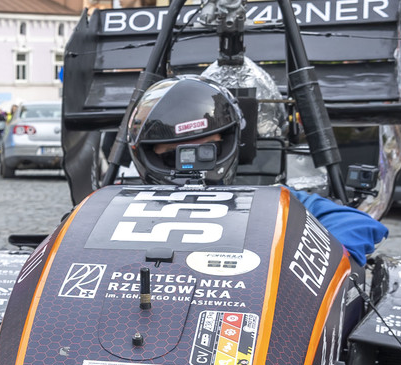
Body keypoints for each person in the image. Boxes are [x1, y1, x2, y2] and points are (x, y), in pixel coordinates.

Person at [124, 75, 387, 262]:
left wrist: (316, 264)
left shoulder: (272, 201)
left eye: (206, 151)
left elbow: (358, 224)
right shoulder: (116, 206)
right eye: (174, 155)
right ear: (147, 154)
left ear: (229, 143)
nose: (191, 162)